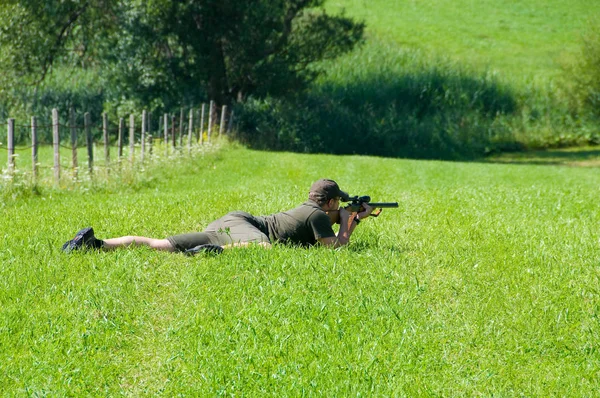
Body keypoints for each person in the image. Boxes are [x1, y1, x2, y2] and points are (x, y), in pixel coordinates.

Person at [62, 179, 375, 254]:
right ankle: (216, 253)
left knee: (162, 245)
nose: (340, 209)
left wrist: (348, 217)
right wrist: (349, 222)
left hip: (232, 222)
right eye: (340, 205)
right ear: (332, 202)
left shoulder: (311, 209)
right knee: (264, 248)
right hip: (248, 229)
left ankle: (95, 244)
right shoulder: (318, 216)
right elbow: (334, 249)